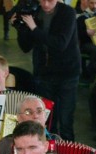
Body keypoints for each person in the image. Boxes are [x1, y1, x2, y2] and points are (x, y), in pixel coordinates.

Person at [17, 0, 80, 141]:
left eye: (50, 0)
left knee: (66, 120)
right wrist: (20, 27)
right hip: (44, 73)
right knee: (48, 120)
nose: (45, 4)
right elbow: (25, 47)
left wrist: (34, 28)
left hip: (67, 73)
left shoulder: (67, 13)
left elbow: (60, 44)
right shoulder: (34, 11)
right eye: (42, 0)